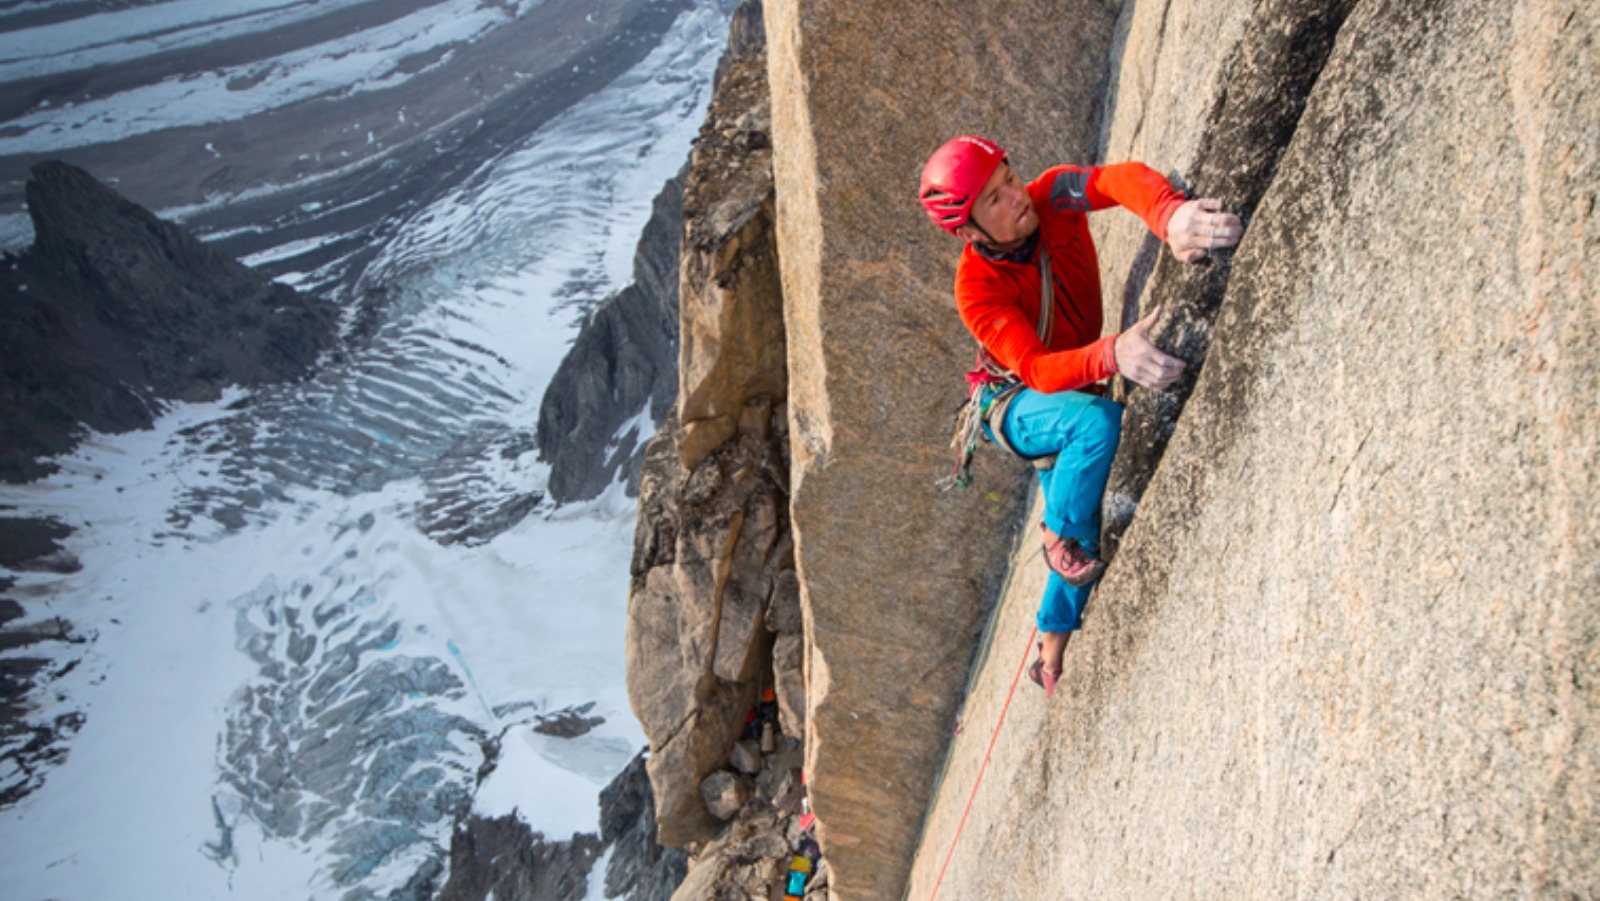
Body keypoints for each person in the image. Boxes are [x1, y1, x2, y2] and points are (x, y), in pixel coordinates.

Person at [918, 135, 1242, 697]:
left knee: (1082, 530)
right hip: (1016, 406)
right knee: (1095, 429)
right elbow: (1038, 370)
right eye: (993, 200)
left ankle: (1049, 646)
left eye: (1009, 179)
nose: (1016, 197)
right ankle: (1055, 536)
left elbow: (1116, 180)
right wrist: (1114, 353)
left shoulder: (1051, 196)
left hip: (1073, 384)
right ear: (969, 233)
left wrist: (1170, 215)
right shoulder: (976, 289)